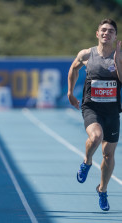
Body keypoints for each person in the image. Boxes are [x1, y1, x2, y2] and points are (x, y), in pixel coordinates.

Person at [67, 18, 122, 211]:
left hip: (113, 111)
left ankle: (102, 190)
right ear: (97, 34)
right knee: (96, 136)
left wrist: (118, 62)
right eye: (103, 30)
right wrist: (70, 92)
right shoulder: (86, 54)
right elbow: (74, 68)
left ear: (115, 37)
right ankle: (87, 161)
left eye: (111, 31)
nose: (107, 33)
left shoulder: (120, 56)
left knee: (108, 155)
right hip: (91, 107)